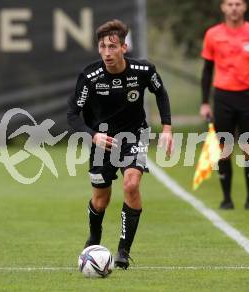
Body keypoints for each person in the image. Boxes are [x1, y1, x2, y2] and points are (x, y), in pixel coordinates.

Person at [67, 19, 173, 269]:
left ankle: (123, 251)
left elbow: (161, 92)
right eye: (102, 46)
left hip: (135, 135)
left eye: (112, 46)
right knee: (100, 199)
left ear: (124, 48)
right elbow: (73, 114)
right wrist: (93, 135)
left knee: (131, 184)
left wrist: (167, 128)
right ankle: (94, 237)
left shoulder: (143, 71)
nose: (106, 52)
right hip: (102, 140)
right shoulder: (90, 77)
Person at [200, 0, 249, 210]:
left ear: (245, 7)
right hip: (223, 97)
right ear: (223, 7)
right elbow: (207, 70)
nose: (234, 8)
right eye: (229, 4)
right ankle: (226, 199)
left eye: (238, 4)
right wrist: (204, 102)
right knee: (225, 149)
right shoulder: (212, 34)